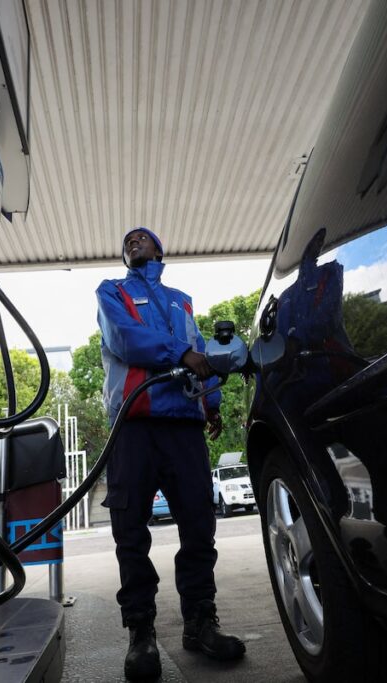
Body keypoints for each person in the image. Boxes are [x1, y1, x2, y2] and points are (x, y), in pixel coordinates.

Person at [96, 227, 246, 680]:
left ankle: (200, 622)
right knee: (130, 532)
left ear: (160, 250)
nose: (133, 242)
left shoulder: (182, 301)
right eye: (127, 241)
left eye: (141, 238)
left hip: (183, 424)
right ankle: (141, 632)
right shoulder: (113, 291)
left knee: (199, 525)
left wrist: (212, 402)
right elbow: (124, 339)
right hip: (134, 425)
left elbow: (200, 352)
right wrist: (179, 352)